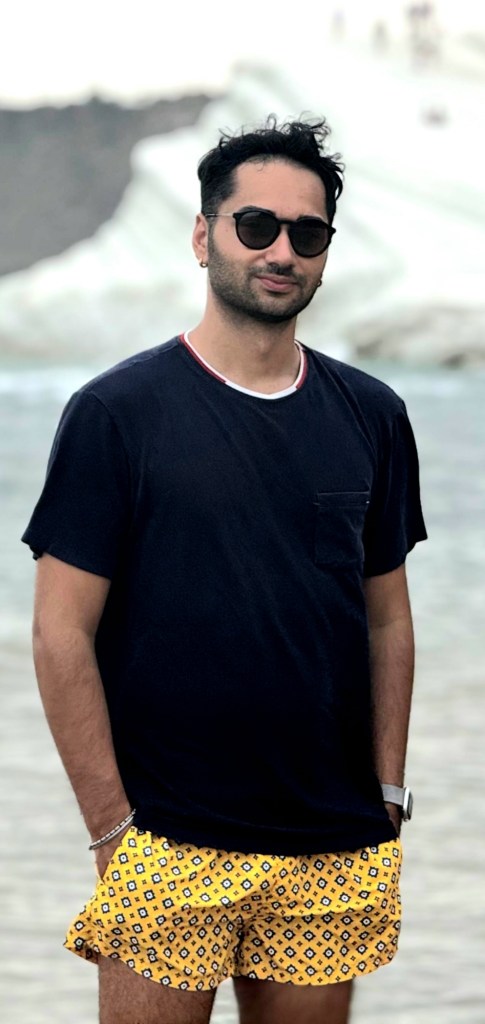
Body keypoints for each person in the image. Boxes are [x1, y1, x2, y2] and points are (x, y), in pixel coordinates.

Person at [23, 117, 427, 1024]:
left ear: (325, 253)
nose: (281, 252)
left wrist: (387, 793)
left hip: (330, 845)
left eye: (306, 234)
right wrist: (112, 830)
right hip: (166, 843)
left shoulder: (371, 414)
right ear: (203, 236)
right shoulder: (116, 414)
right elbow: (58, 633)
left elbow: (388, 618)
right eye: (256, 226)